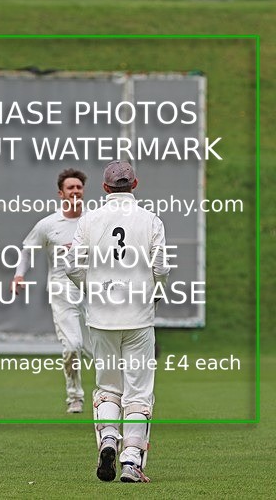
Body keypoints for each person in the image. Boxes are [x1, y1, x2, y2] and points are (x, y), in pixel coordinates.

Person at [66, 160, 169, 483]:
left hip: (101, 317)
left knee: (108, 386)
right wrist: (156, 292)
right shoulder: (150, 220)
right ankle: (131, 460)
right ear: (134, 185)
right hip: (138, 317)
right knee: (138, 392)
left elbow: (71, 265)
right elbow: (161, 267)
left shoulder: (89, 220)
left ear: (105, 188)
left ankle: (109, 438)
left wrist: (91, 289)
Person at [11, 168, 91, 414]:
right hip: (62, 292)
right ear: (61, 193)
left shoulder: (93, 220)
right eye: (70, 187)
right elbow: (27, 251)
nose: (75, 191)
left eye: (79, 187)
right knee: (72, 346)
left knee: (100, 350)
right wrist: (19, 275)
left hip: (93, 292)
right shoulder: (48, 224)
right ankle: (74, 396)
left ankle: (112, 397)